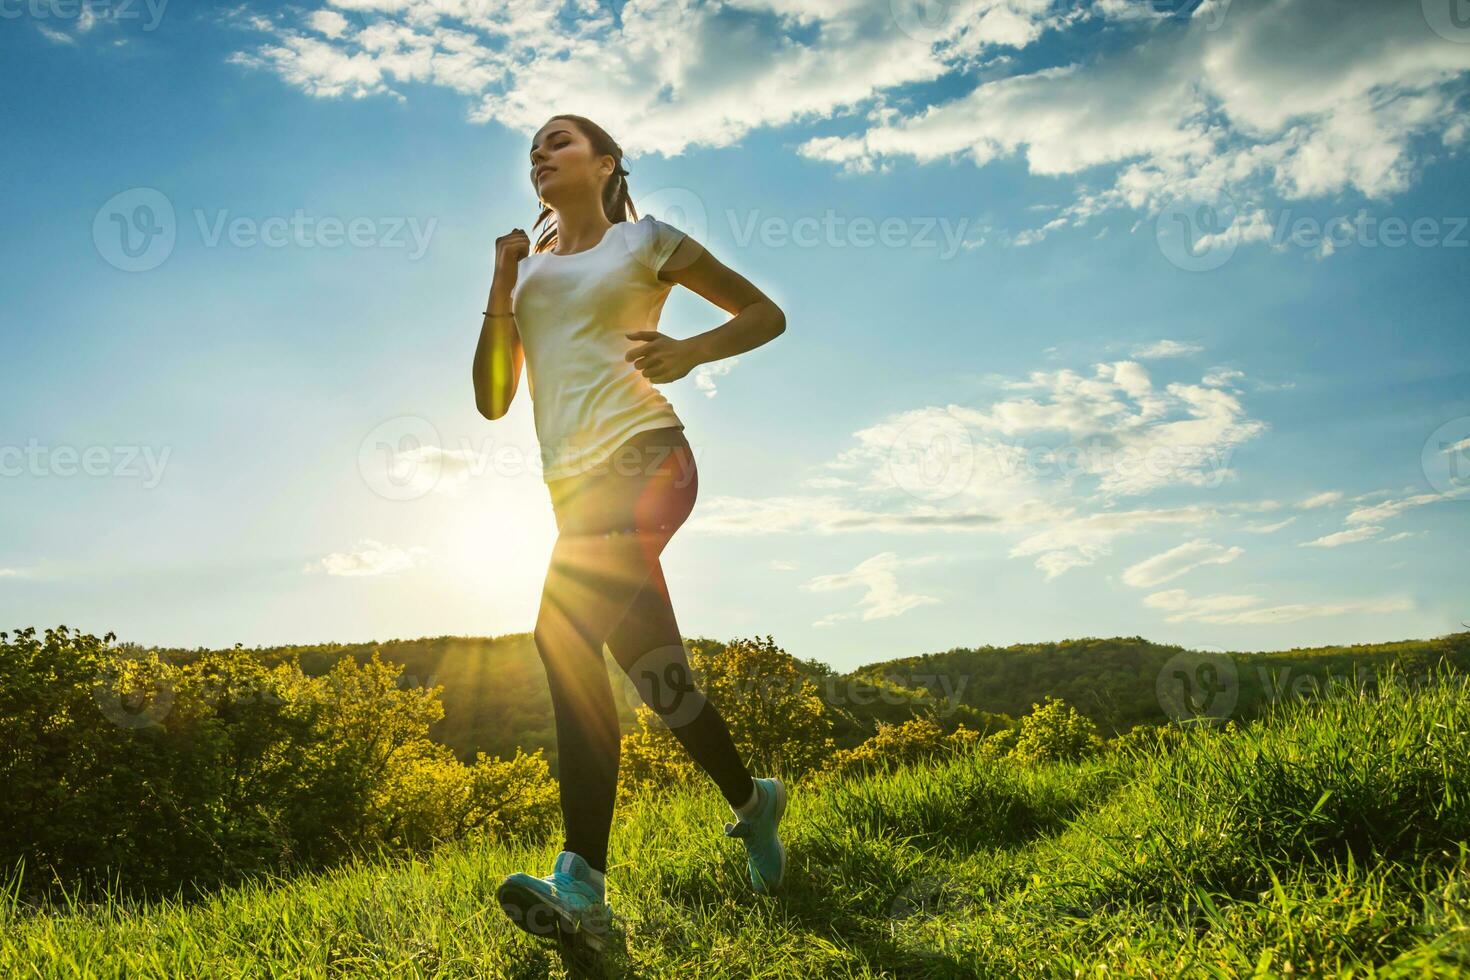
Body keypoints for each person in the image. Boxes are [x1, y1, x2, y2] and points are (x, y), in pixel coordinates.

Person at [472, 113, 790, 955]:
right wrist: (501, 280)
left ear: (605, 162)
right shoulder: (529, 273)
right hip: (573, 494)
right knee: (662, 681)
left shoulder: (648, 241)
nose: (541, 152)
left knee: (561, 634)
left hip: (650, 460)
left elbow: (766, 314)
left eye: (561, 140)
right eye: (534, 145)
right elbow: (493, 397)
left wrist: (690, 353)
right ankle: (755, 803)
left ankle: (582, 887)